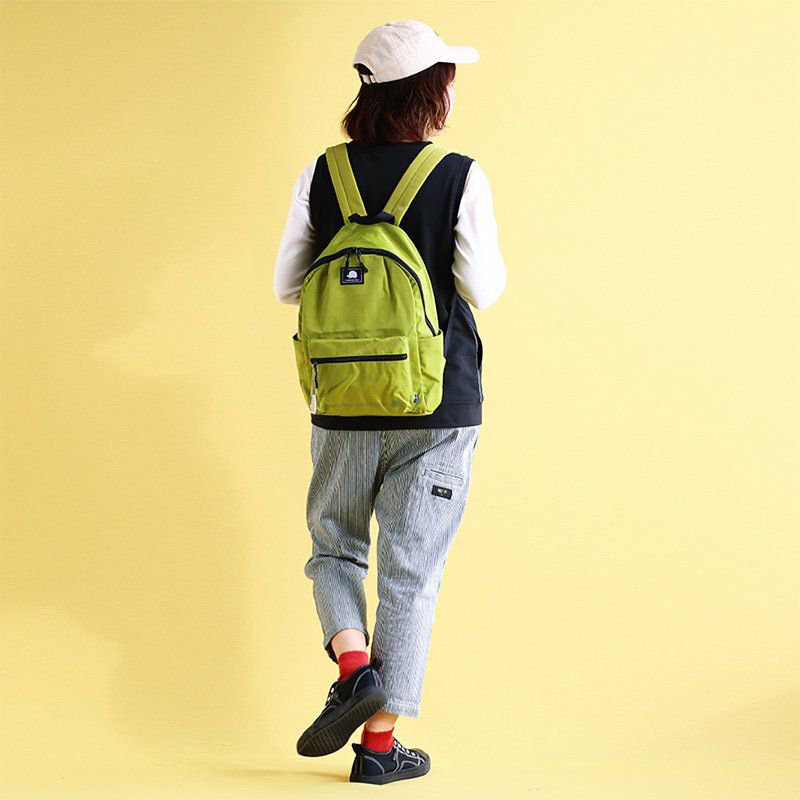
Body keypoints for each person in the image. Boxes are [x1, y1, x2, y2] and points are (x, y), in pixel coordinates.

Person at [273, 20, 506, 785]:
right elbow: (483, 289)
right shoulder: (459, 175)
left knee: (334, 547)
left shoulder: (323, 173)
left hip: (342, 401)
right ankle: (378, 750)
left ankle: (352, 666)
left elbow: (286, 286)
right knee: (411, 573)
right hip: (437, 407)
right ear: (432, 91)